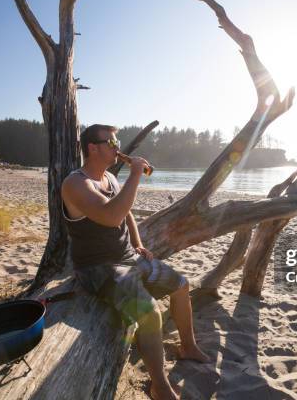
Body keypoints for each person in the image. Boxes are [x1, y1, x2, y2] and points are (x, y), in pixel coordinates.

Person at [61, 124, 209, 400]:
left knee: (181, 285)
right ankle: (159, 387)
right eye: (111, 140)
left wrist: (138, 243)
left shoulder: (110, 178)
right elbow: (111, 216)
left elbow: (127, 216)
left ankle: (188, 346)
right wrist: (136, 175)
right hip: (98, 268)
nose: (118, 145)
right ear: (92, 148)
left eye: (117, 139)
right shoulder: (76, 183)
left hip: (127, 258)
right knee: (150, 313)